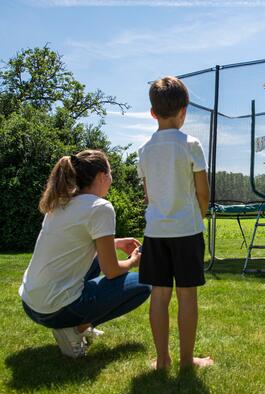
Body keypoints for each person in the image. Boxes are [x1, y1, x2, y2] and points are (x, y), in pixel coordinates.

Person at [19, 150, 151, 358]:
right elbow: (112, 271)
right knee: (144, 284)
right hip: (54, 309)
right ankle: (76, 329)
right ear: (101, 176)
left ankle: (73, 323)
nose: (111, 179)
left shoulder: (60, 202)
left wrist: (115, 243)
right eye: (110, 173)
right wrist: (134, 261)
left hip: (31, 303)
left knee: (98, 258)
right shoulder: (100, 208)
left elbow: (75, 243)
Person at [138, 76, 213, 370]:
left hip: (155, 233)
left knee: (159, 295)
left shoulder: (144, 150)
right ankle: (185, 360)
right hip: (187, 231)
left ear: (153, 112)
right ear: (184, 110)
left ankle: (163, 360)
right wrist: (199, 215)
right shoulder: (191, 144)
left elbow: (148, 196)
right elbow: (203, 192)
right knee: (187, 296)